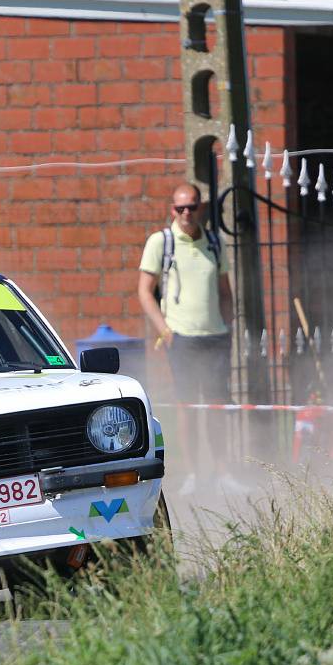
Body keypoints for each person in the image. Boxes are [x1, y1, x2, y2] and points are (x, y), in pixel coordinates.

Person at [136, 182, 234, 495]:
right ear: (172, 210)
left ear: (200, 208)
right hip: (182, 340)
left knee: (218, 407)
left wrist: (228, 326)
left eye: (191, 206)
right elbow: (144, 291)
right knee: (188, 408)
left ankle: (221, 473)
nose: (186, 213)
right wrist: (165, 330)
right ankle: (194, 474)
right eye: (180, 208)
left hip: (215, 337)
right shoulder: (160, 242)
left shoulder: (214, 243)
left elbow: (225, 292)